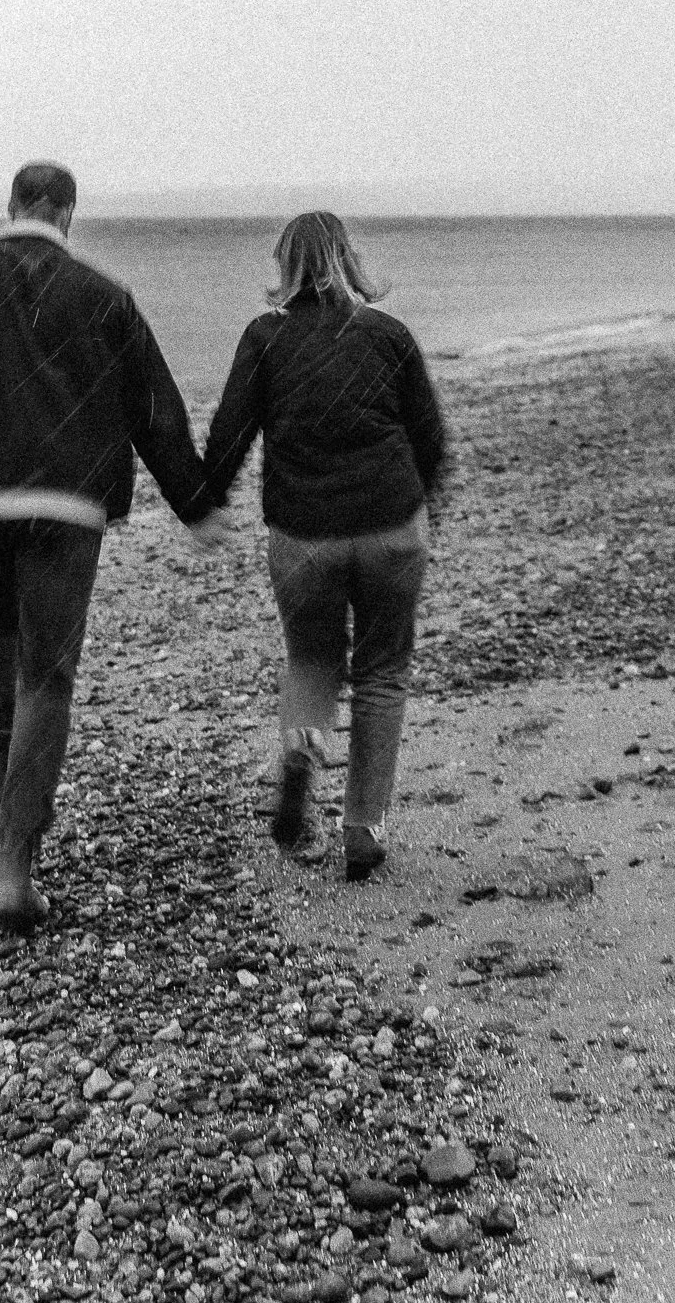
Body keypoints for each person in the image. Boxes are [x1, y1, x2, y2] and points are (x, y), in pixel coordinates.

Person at [0, 162, 219, 933]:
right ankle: (14, 871)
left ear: (12, 204)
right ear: (66, 216)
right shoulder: (104, 295)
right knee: (48, 674)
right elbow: (154, 406)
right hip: (66, 501)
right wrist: (194, 502)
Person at [203, 211, 447, 881]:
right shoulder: (389, 335)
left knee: (312, 657)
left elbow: (230, 432)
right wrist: (428, 514)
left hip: (304, 534)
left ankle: (305, 745)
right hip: (392, 526)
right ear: (349, 258)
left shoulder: (266, 338)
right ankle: (364, 826)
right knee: (381, 671)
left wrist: (205, 502)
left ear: (285, 268)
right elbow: (429, 438)